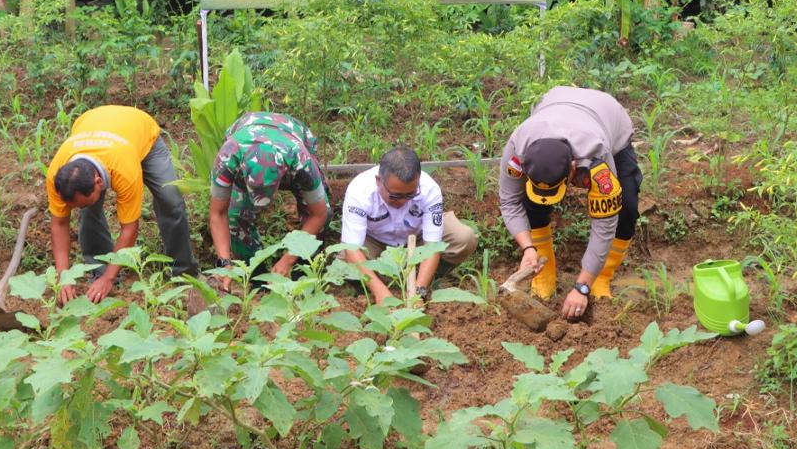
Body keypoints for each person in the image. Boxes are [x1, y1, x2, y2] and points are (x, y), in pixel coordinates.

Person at [497, 86, 641, 321]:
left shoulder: (597, 157)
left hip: (606, 117)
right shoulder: (517, 150)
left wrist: (582, 287)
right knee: (531, 202)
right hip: (555, 105)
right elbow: (510, 201)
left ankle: (601, 277)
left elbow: (605, 224)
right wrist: (528, 248)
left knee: (627, 206)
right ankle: (543, 274)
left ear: (573, 169)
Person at [46, 105, 198, 304]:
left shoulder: (125, 171)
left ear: (98, 182)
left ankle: (183, 272)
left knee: (171, 200)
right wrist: (63, 277)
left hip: (141, 132)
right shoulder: (57, 177)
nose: (76, 209)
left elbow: (129, 229)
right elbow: (59, 224)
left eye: (81, 202)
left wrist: (109, 278)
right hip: (95, 122)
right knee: (89, 212)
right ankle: (100, 272)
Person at [340, 146, 478, 305]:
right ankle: (377, 284)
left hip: (417, 238)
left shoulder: (429, 189)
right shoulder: (359, 192)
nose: (403, 201)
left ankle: (429, 278)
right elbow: (352, 248)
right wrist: (380, 292)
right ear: (379, 181)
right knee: (345, 262)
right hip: (375, 242)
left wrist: (419, 293)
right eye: (395, 195)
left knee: (463, 238)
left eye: (410, 195)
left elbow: (432, 245)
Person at [207, 111, 330, 279]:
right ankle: (253, 272)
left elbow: (319, 214)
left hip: (292, 139)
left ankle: (304, 270)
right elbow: (218, 213)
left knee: (322, 215)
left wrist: (289, 259)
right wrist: (224, 264)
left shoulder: (300, 160)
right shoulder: (228, 157)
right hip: (245, 142)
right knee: (235, 216)